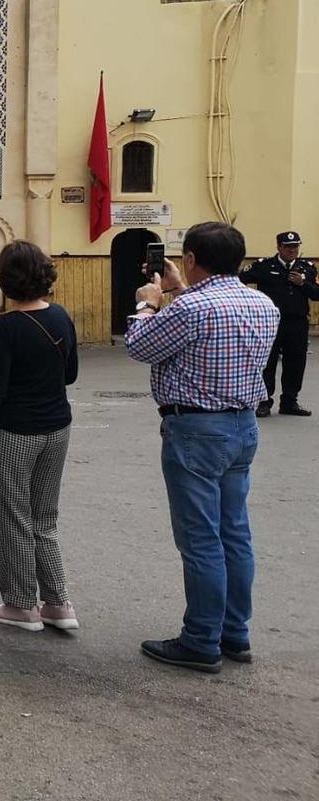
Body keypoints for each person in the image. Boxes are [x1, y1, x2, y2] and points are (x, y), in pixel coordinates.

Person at [126, 221, 279, 673]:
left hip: (195, 428)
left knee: (200, 538)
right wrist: (176, 292)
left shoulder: (190, 308)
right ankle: (235, 631)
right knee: (235, 531)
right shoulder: (261, 302)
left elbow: (139, 347)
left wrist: (147, 304)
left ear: (190, 259)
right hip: (243, 425)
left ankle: (201, 638)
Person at [0, 241, 81, 633]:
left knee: (11, 514)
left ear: (5, 281)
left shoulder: (5, 327)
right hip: (58, 425)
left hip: (14, 429)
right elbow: (70, 374)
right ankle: (58, 601)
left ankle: (21, 603)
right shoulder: (61, 317)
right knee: (45, 515)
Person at [240, 231, 318, 417]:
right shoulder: (263, 266)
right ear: (279, 247)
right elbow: (239, 280)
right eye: (288, 246)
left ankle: (290, 402)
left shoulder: (307, 268)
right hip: (270, 323)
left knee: (296, 362)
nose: (292, 250)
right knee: (268, 362)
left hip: (297, 322)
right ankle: (264, 402)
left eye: (295, 246)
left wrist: (303, 283)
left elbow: (316, 294)